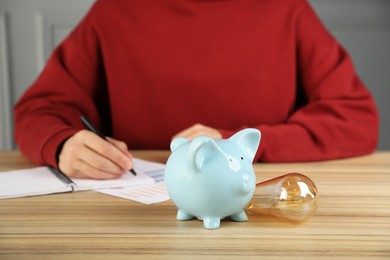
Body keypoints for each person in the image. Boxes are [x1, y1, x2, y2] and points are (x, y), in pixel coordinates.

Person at [14, 0, 379, 180]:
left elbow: (355, 119)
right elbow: (39, 110)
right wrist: (62, 145)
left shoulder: (286, 9)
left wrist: (239, 144)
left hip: (262, 203)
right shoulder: (114, 10)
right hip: (136, 214)